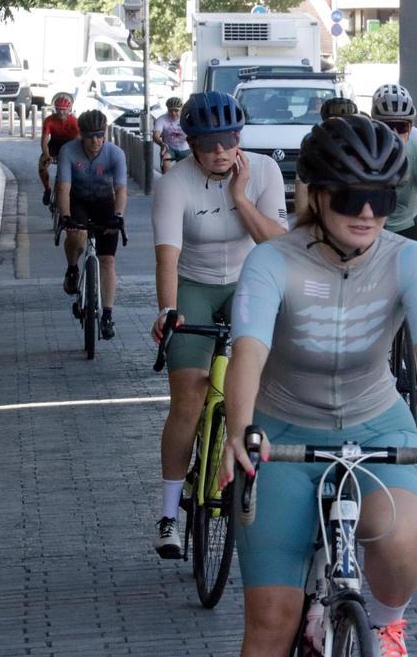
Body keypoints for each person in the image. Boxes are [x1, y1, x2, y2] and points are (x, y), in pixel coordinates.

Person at [219, 114, 417, 657]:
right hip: (280, 428)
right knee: (271, 621)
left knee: (395, 540)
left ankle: (387, 629)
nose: (367, 212)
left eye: (382, 198)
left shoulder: (409, 258)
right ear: (316, 195)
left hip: (376, 423)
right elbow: (249, 348)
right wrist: (240, 429)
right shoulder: (272, 261)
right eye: (349, 196)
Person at [149, 91, 287, 561]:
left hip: (250, 280)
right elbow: (167, 256)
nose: (221, 152)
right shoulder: (175, 184)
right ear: (191, 144)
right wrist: (168, 310)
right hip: (196, 285)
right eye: (209, 145)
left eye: (229, 141)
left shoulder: (263, 171)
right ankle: (169, 514)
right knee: (188, 394)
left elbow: (277, 243)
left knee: (263, 387)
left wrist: (240, 197)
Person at [56, 110, 128, 340]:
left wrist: (118, 215)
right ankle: (73, 268)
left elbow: (121, 190)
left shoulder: (115, 154)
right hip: (77, 201)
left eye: (99, 135)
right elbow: (63, 189)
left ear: (104, 133)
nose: (95, 141)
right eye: (90, 136)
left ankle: (107, 314)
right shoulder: (68, 151)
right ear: (82, 135)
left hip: (104, 202)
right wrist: (66, 217)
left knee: (108, 260)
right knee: (76, 236)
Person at [370, 83, 417, 260]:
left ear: (411, 128)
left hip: (406, 228)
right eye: (389, 126)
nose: (395, 134)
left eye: (402, 127)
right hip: (371, 230)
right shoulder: (363, 152)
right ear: (375, 125)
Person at [39, 93, 78, 207]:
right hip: (55, 144)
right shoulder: (49, 120)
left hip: (71, 145)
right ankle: (47, 189)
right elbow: (44, 141)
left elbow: (79, 140)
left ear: (69, 109)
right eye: (59, 110)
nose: (61, 112)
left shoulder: (74, 121)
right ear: (55, 109)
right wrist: (47, 155)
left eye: (64, 110)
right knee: (41, 165)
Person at [152, 96, 187, 173]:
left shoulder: (187, 119)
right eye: (170, 111)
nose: (173, 113)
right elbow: (155, 136)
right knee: (165, 162)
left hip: (186, 149)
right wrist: (162, 144)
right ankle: (166, 181)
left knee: (188, 171)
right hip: (169, 148)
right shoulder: (161, 119)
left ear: (181, 110)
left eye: (176, 111)